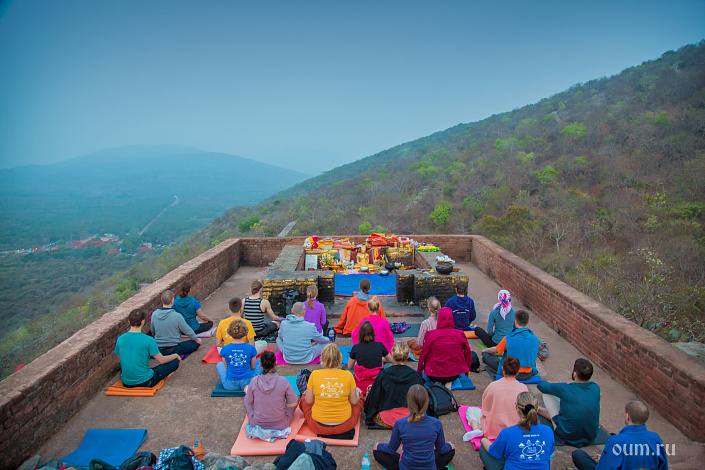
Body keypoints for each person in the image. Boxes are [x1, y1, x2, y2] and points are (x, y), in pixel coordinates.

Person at [373, 384, 456, 470]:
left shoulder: (400, 423)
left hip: (406, 467)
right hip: (429, 466)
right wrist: (449, 446)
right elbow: (442, 449)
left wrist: (378, 446)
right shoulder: (436, 423)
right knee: (450, 452)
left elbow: (391, 449)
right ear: (427, 403)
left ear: (408, 403)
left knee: (378, 452)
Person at [572, 399, 667, 470]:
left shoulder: (616, 441)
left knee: (578, 455)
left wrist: (604, 460)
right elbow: (663, 466)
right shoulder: (656, 439)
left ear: (628, 416)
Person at [300, 343, 363, 438]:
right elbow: (354, 401)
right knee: (359, 396)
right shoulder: (348, 375)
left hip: (318, 426)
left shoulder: (314, 374)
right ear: (340, 358)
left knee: (304, 398)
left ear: (322, 358)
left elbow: (309, 401)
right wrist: (357, 393)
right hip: (345, 425)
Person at [480, 391, 555, 470]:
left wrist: (483, 440)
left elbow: (493, 451)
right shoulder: (548, 431)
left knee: (485, 449)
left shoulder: (507, 433)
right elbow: (550, 456)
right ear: (536, 409)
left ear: (518, 409)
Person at [537, 358, 601, 447]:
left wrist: (553, 386)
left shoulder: (565, 388)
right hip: (590, 437)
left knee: (547, 394)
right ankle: (553, 415)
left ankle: (551, 416)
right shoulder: (596, 388)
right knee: (572, 402)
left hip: (566, 436)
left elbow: (541, 386)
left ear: (574, 374)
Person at [463, 357, 528, 442]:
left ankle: (476, 428)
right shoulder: (524, 388)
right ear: (518, 371)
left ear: (502, 369)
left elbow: (486, 410)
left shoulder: (493, 386)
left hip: (494, 429)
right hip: (515, 429)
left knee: (471, 410)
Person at [364, 341, 425, 429]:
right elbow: (422, 399)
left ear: (392, 354)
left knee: (370, 390)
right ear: (408, 356)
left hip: (386, 419)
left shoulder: (383, 374)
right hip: (410, 418)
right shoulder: (415, 376)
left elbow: (374, 399)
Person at [114, 309, 181, 388]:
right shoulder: (148, 340)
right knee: (174, 362)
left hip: (126, 382)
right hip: (145, 382)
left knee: (148, 369)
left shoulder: (120, 339)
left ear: (129, 321)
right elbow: (161, 360)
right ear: (142, 322)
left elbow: (119, 360)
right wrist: (175, 355)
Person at [418, 307, 475, 389]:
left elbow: (423, 354)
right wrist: (466, 370)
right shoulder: (460, 334)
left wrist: (420, 370)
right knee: (450, 378)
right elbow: (468, 353)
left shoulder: (431, 334)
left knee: (436, 379)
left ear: (439, 318)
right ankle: (448, 386)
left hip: (433, 374)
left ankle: (437, 386)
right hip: (453, 374)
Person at [244, 350, 299, 432]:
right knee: (296, 397)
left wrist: (248, 391)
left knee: (247, 399)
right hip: (281, 424)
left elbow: (249, 401)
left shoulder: (254, 381)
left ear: (260, 364)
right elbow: (294, 403)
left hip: (257, 423)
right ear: (275, 364)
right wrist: (281, 405)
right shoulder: (283, 381)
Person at [482, 309, 539, 381]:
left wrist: (485, 350)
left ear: (515, 321)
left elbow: (495, 350)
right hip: (527, 374)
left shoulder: (508, 338)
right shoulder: (535, 339)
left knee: (486, 356)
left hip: (510, 373)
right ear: (528, 322)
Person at [150, 290, 202, 356]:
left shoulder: (154, 314)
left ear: (161, 300)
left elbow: (152, 331)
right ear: (172, 301)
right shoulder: (177, 316)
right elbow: (188, 331)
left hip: (158, 349)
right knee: (195, 344)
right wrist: (196, 339)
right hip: (174, 348)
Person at [348, 320, 393, 393]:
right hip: (377, 381)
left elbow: (350, 366)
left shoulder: (356, 348)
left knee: (347, 370)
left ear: (360, 334)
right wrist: (380, 359)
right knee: (389, 365)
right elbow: (391, 360)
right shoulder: (380, 345)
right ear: (373, 333)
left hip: (361, 382)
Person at [217, 319, 262, 391]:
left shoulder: (225, 348)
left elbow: (226, 367)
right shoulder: (251, 348)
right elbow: (253, 367)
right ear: (245, 332)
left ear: (230, 332)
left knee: (219, 364)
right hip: (248, 383)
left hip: (230, 385)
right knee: (261, 362)